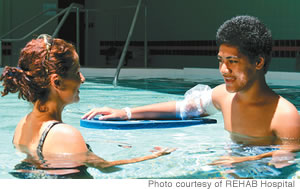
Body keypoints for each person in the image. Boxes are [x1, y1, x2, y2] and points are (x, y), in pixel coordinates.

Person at [82, 16, 300, 166]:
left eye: (232, 61)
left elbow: (287, 160)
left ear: (258, 62)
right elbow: (183, 109)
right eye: (221, 61)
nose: (224, 70)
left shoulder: (284, 116)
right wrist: (126, 113)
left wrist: (241, 160)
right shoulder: (224, 96)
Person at [0, 34, 175, 179]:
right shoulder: (65, 135)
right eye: (76, 72)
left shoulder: (23, 125)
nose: (82, 79)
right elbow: (106, 168)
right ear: (57, 82)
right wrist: (154, 156)